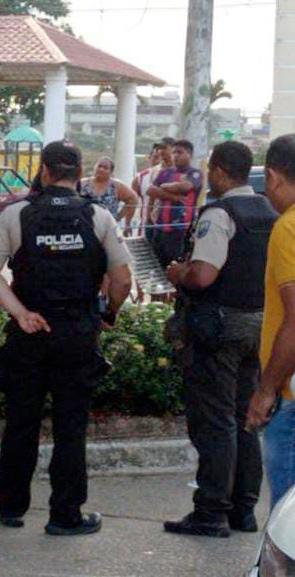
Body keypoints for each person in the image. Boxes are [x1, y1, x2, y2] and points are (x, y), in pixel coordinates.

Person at [0, 140, 133, 536]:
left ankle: (10, 508)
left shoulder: (17, 214)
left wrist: (20, 312)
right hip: (77, 333)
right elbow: (122, 279)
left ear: (44, 172)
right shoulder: (98, 216)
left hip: (29, 332)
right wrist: (109, 312)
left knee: (21, 421)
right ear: (79, 174)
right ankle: (65, 515)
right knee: (70, 426)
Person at [163, 141, 277, 538]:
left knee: (214, 421)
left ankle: (211, 511)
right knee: (245, 419)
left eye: (211, 168)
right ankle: (243, 510)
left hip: (218, 328)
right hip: (257, 326)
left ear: (221, 171)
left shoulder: (219, 213)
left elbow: (203, 275)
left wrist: (178, 272)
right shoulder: (270, 212)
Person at [246, 134, 295, 512]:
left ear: (274, 177)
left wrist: (266, 390)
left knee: (287, 515)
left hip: (292, 397)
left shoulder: (288, 228)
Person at [146, 139, 203, 266]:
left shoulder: (195, 173)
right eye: (174, 152)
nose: (175, 155)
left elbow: (185, 187)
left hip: (182, 229)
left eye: (180, 152)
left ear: (190, 155)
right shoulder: (165, 172)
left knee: (176, 266)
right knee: (156, 266)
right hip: (160, 227)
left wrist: (164, 186)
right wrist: (174, 197)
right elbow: (150, 190)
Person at [81, 157, 140, 235]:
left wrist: (118, 217)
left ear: (111, 172)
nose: (101, 169)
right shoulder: (82, 183)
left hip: (108, 228)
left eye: (105, 168)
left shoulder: (116, 186)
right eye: (99, 166)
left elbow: (133, 199)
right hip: (85, 226)